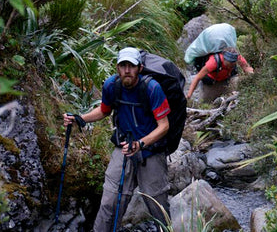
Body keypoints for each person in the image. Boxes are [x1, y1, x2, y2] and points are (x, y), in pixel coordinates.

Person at [63, 47, 171, 232]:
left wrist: (141, 144)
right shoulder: (112, 86)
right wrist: (79, 118)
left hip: (150, 150)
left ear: (140, 68)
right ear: (117, 67)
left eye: (131, 66)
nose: (127, 70)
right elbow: (104, 111)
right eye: (123, 65)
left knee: (157, 204)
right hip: (123, 148)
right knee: (110, 202)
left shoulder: (152, 88)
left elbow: (164, 126)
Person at [186, 47, 253, 102]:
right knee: (207, 103)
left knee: (238, 84)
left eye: (233, 64)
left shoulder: (238, 58)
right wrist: (189, 95)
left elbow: (247, 68)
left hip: (228, 80)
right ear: (224, 59)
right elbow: (197, 77)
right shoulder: (213, 62)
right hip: (211, 84)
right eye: (229, 64)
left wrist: (254, 77)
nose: (230, 66)